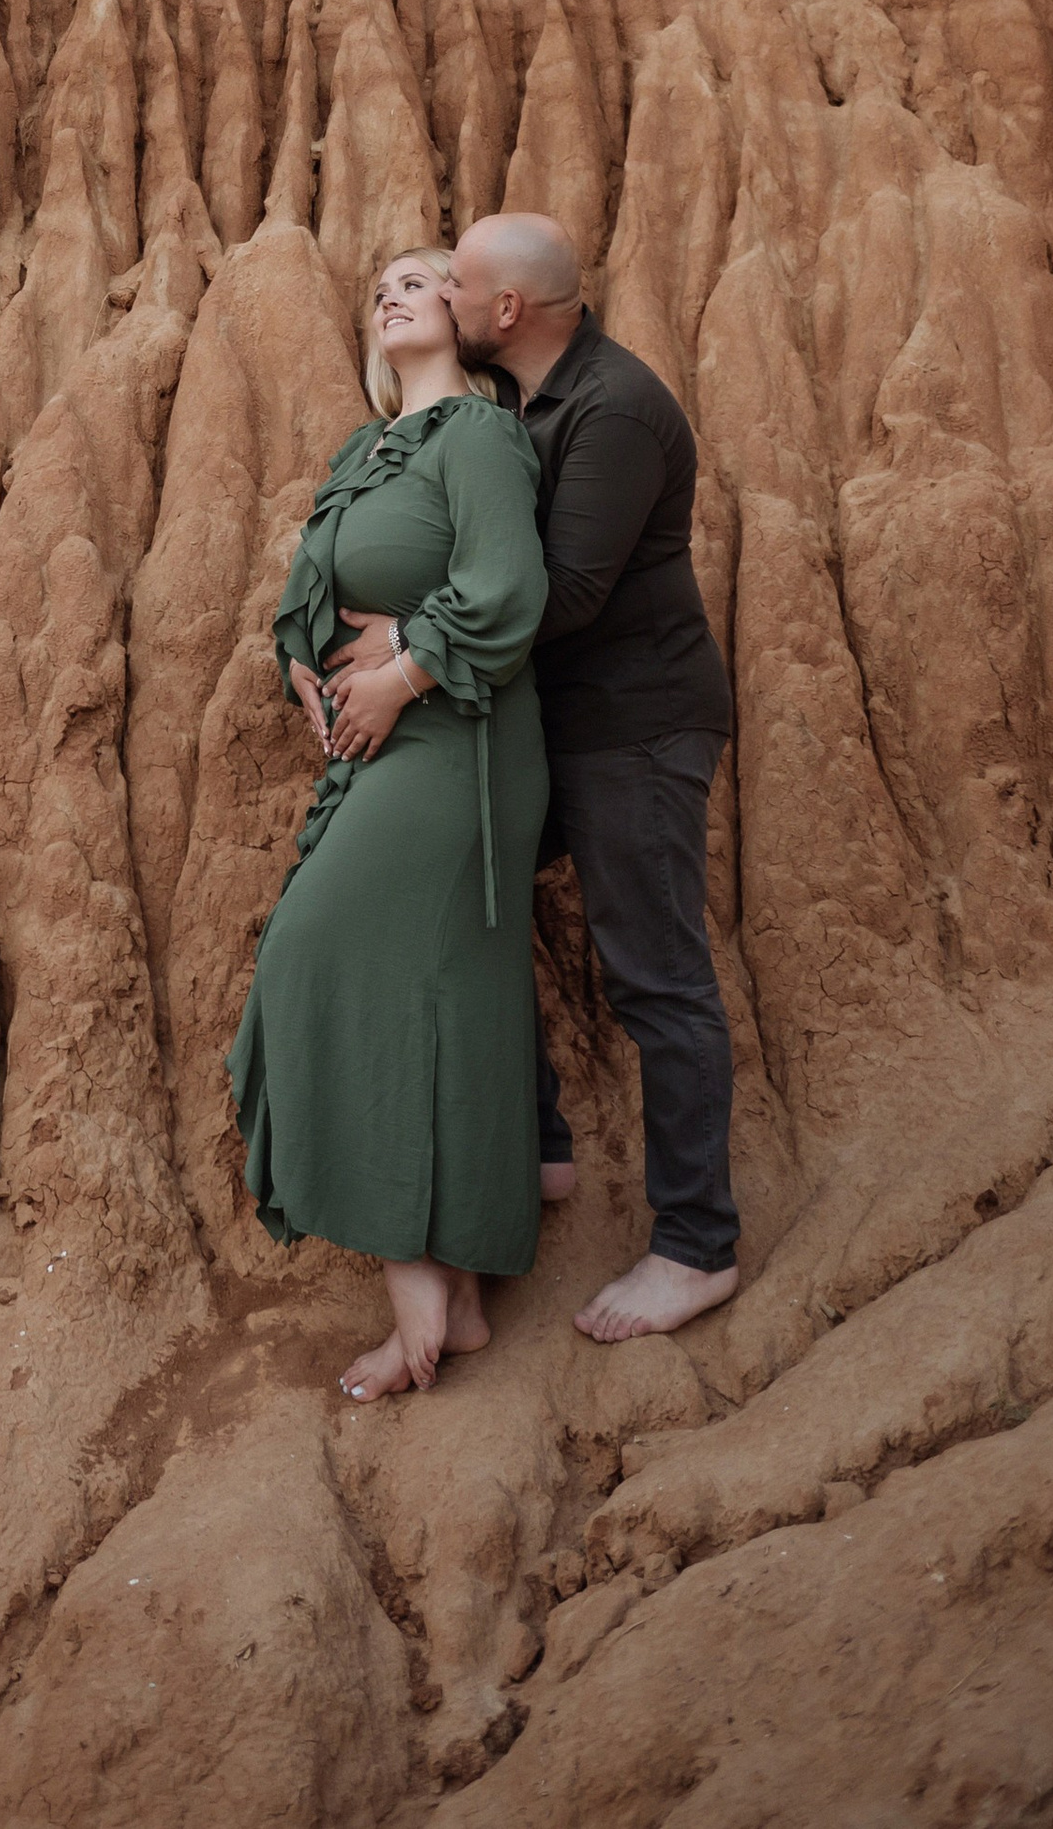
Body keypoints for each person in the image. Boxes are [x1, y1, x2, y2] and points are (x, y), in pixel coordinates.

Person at [338, 211, 740, 1342]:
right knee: (472, 903)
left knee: (655, 976)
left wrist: (404, 643)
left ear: (504, 310)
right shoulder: (519, 401)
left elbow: (554, 593)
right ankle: (541, 1145)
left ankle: (697, 1246)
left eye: (455, 285)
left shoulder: (612, 409)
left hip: (634, 729)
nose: (440, 295)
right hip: (548, 725)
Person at [228, 250, 552, 1401]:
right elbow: (308, 593)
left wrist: (401, 675)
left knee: (316, 954)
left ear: (465, 312)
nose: (394, 291)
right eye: (382, 285)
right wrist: (302, 666)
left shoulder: (478, 435)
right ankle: (453, 1298)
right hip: (373, 747)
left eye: (422, 277)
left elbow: (509, 587)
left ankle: (418, 1295)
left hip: (457, 738)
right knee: (428, 1005)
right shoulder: (363, 452)